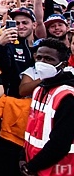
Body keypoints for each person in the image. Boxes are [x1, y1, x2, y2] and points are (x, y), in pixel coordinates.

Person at [21, 39, 74, 176]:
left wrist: (31, 167)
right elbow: (31, 129)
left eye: (49, 59)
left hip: (59, 169)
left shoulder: (68, 96)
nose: (42, 62)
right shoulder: (39, 90)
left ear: (63, 65)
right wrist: (23, 157)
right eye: (39, 58)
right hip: (36, 165)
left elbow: (60, 143)